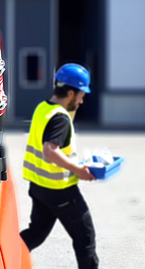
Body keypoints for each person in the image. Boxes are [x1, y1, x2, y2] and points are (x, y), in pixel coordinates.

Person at [20, 63, 99, 269]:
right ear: (71, 93)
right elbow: (50, 150)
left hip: (39, 187)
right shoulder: (60, 118)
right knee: (85, 237)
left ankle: (1, 260)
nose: (82, 101)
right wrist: (78, 169)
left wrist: (75, 164)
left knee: (34, 234)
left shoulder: (42, 108)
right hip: (60, 191)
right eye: (81, 95)